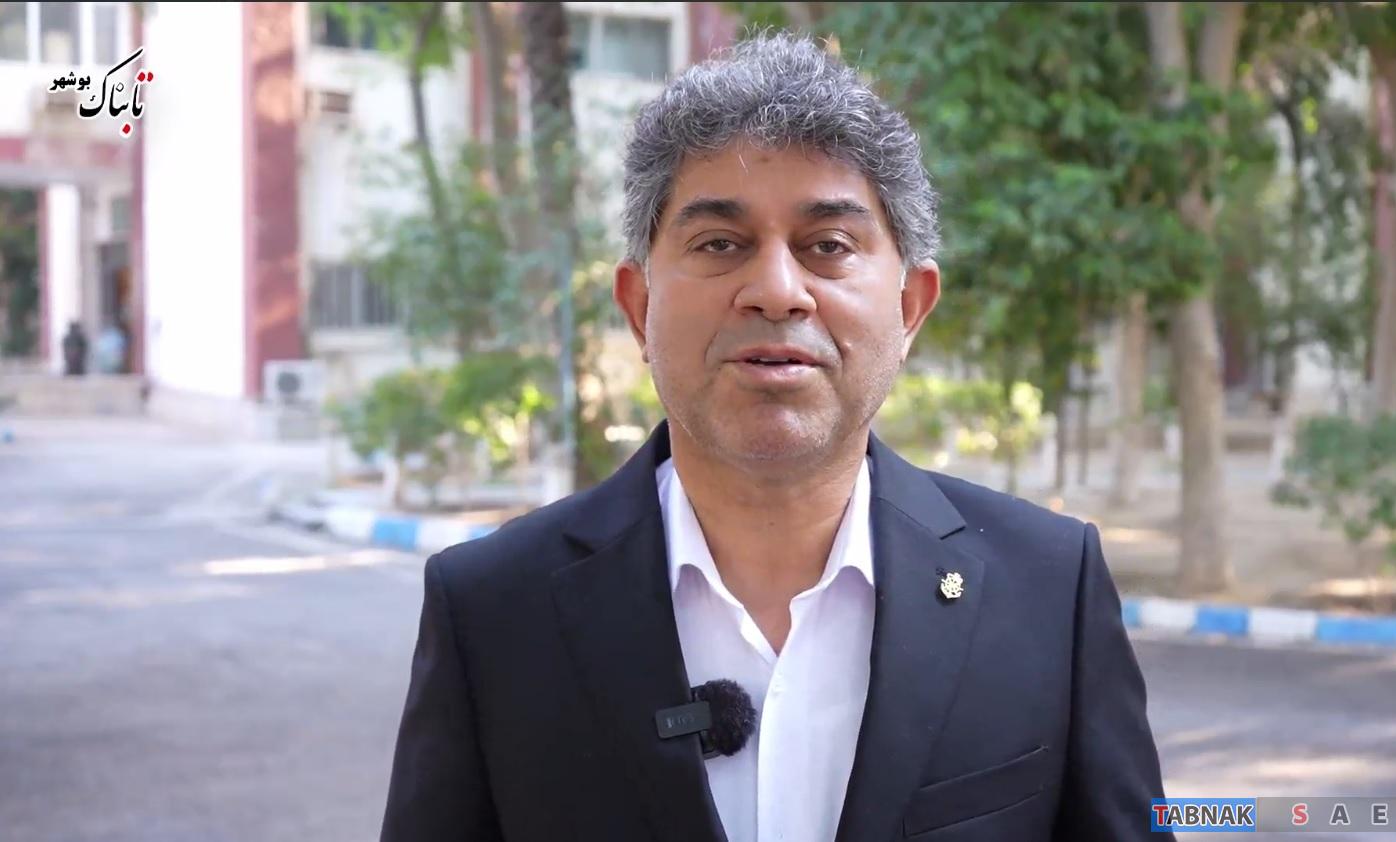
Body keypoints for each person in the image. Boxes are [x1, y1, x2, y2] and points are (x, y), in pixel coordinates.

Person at [380, 33, 1171, 842]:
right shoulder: (494, 610)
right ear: (638, 306)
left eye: (828, 246)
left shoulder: (1047, 589)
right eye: (720, 244)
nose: (776, 291)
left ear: (910, 308)